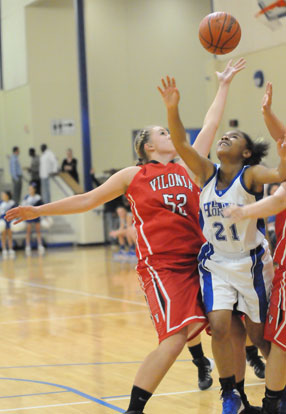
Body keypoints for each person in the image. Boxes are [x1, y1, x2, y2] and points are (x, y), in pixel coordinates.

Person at [5, 59, 246, 414]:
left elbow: (210, 122)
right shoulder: (132, 175)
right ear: (148, 146)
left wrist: (223, 84)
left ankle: (233, 396)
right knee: (176, 337)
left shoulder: (188, 166)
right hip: (163, 267)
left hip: (202, 262)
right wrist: (39, 210)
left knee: (231, 326)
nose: (170, 134)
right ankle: (134, 409)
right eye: (162, 132)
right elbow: (88, 199)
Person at [159, 71, 286, 413]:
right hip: (216, 262)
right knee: (219, 326)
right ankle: (230, 392)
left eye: (234, 137)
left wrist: (283, 149)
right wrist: (173, 109)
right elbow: (182, 144)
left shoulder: (251, 175)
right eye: (224, 135)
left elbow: (280, 175)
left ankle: (278, 392)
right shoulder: (206, 172)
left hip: (252, 264)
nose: (224, 137)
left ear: (246, 153)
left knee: (260, 337)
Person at [224, 82, 286, 414]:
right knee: (275, 341)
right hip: (235, 265)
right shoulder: (218, 174)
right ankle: (270, 402)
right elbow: (278, 199)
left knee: (272, 339)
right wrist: (267, 113)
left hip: (255, 264)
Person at [22, 182, 45, 256]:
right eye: (29, 189)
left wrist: (44, 217)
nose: (30, 190)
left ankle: (40, 245)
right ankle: (28, 246)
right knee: (28, 231)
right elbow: (23, 207)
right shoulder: (26, 197)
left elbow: (42, 207)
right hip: (29, 216)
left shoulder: (38, 197)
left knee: (38, 230)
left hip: (36, 215)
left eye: (31, 188)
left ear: (34, 189)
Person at [0, 191, 16, 259]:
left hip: (9, 219)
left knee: (10, 235)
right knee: (3, 235)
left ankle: (10, 249)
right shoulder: (1, 203)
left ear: (7, 196)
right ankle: (4, 249)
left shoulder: (12, 203)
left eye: (3, 195)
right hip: (3, 220)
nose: (2, 196)